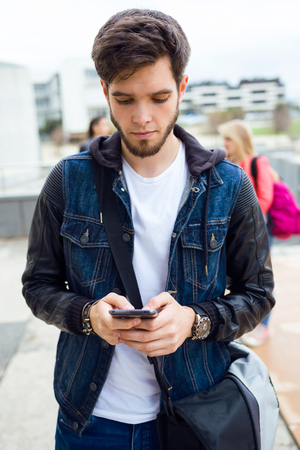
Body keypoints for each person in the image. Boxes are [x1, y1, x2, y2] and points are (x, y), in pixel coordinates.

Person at [22, 9, 275, 450]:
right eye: (125, 99)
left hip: (197, 414)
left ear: (182, 88)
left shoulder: (230, 185)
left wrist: (193, 321)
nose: (143, 118)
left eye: (159, 98)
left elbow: (258, 294)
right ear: (104, 92)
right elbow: (38, 286)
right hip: (92, 419)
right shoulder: (67, 180)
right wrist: (88, 315)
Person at [219, 119, 274, 347]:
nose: (225, 143)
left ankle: (261, 326)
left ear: (240, 139)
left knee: (258, 279)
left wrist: (244, 221)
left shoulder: (257, 162)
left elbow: (265, 197)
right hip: (230, 232)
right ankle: (238, 322)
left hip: (254, 231)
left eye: (229, 138)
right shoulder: (227, 163)